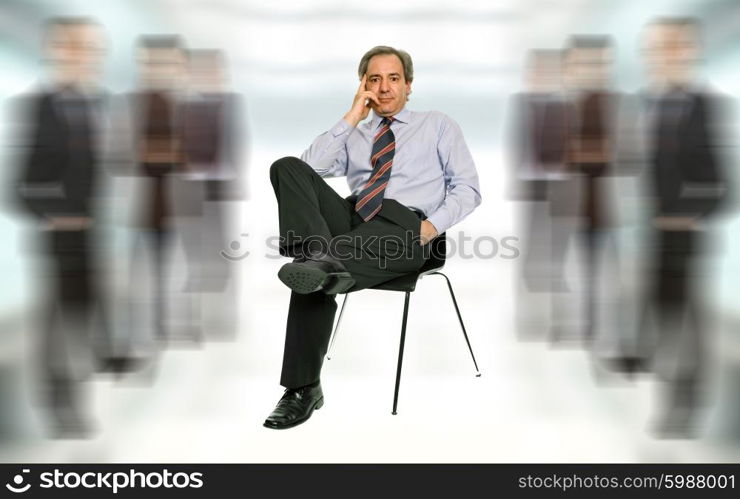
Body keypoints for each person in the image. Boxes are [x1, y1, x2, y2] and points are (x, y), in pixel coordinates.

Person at [265, 46, 481, 429]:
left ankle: (302, 388)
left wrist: (428, 228)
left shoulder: (437, 124)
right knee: (287, 167)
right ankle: (317, 258)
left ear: (408, 85)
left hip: (407, 227)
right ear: (363, 85)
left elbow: (467, 189)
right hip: (352, 223)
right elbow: (308, 169)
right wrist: (351, 118)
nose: (384, 88)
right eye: (374, 79)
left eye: (393, 78)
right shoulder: (356, 134)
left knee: (317, 272)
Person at [631, 18, 729, 437]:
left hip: (687, 234)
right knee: (661, 321)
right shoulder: (642, 105)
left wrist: (687, 212)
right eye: (658, 47)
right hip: (648, 234)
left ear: (690, 51)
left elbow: (724, 183)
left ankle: (687, 406)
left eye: (674, 47)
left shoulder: (706, 106)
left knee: (689, 325)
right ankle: (670, 400)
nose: (665, 56)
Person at [14, 17, 111, 436]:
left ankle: (76, 399)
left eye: (89, 50)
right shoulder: (38, 106)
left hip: (95, 234)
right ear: (56, 51)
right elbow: (18, 185)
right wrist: (56, 212)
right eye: (73, 48)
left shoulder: (101, 104)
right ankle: (57, 406)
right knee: (57, 327)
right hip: (58, 235)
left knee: (84, 323)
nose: (83, 58)